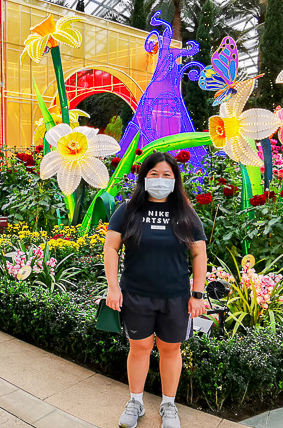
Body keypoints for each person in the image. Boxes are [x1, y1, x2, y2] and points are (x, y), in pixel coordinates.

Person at [104, 152, 208, 428]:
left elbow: (199, 253)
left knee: (170, 348)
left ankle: (168, 405)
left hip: (175, 296)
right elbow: (111, 247)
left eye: (166, 175)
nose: (160, 180)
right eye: (154, 174)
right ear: (143, 177)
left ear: (175, 179)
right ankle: (135, 402)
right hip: (136, 293)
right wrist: (112, 288)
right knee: (139, 347)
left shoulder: (185, 213)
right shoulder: (127, 210)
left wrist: (197, 293)